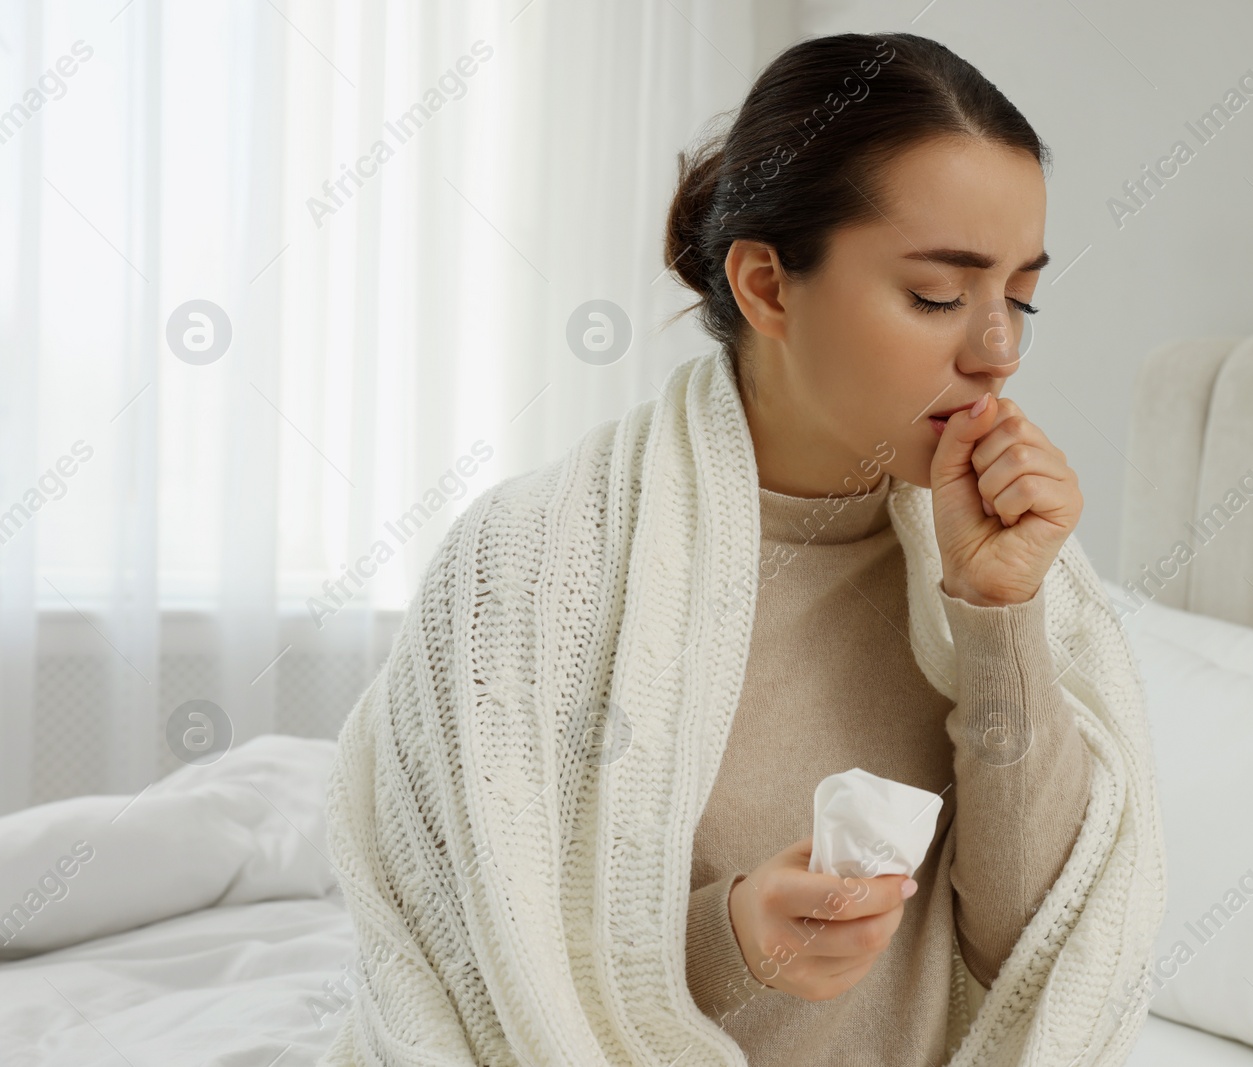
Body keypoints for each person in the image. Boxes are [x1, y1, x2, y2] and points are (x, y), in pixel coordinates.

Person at [319, 31, 1163, 1067]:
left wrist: (997, 613)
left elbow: (1041, 964)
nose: (999, 351)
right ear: (766, 287)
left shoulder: (1008, 575)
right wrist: (727, 940)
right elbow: (476, 965)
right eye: (940, 295)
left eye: (1020, 295)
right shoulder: (526, 565)